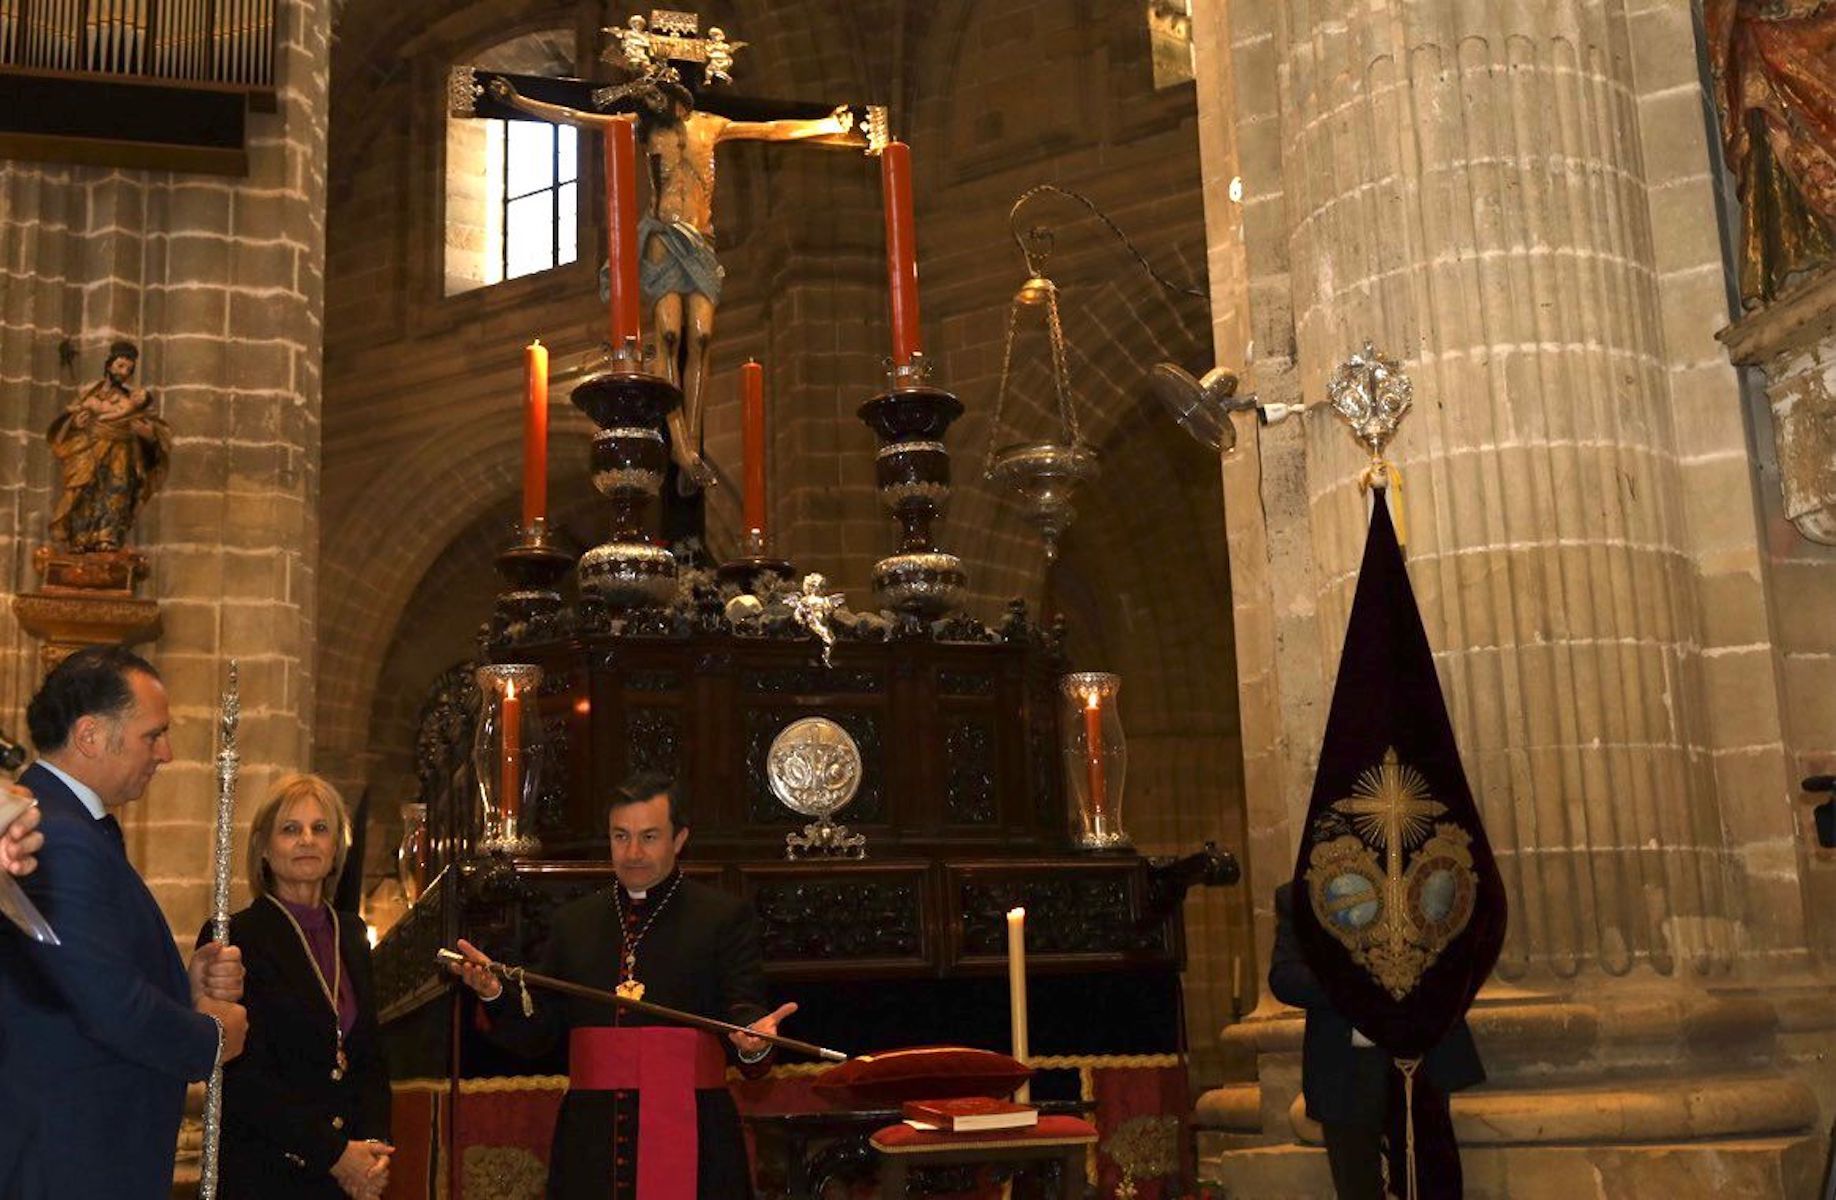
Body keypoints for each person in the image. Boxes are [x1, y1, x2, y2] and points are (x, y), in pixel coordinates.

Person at [486, 74, 867, 489]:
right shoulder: (640, 127)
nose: (650, 105)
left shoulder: (712, 124)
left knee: (701, 337)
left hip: (701, 241)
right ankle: (681, 444)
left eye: (656, 98)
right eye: (647, 99)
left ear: (678, 100)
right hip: (663, 239)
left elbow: (771, 129)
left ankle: (694, 438)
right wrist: (519, 101)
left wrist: (827, 125)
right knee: (668, 334)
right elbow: (575, 115)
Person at [447, 771, 796, 1200]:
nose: (632, 852)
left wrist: (753, 1043)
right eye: (620, 836)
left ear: (679, 838)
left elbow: (745, 1012)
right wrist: (492, 992)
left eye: (649, 837)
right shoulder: (574, 923)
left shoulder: (722, 918)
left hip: (697, 1134)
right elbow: (539, 1034)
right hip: (591, 1142)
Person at [0, 645, 248, 1199]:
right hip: (69, 1163)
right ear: (90, 736)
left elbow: (67, 979)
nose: (166, 752)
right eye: (152, 734)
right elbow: (107, 1002)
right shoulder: (55, 833)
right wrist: (210, 1037)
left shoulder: (72, 827)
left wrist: (181, 983)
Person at [198, 774, 393, 1199]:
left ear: (336, 847)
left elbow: (369, 1055)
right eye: (290, 829)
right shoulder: (234, 937)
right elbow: (242, 1074)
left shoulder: (353, 933)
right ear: (264, 849)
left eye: (320, 828)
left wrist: (372, 1153)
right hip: (270, 1173)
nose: (307, 839)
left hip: (351, 1178)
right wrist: (335, 1155)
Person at [1268, 881, 1484, 1199]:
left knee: (1432, 1184)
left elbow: (1463, 951)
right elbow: (1285, 976)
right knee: (1358, 1187)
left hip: (1419, 1064)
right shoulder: (1303, 895)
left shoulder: (1422, 876)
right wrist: (1354, 982)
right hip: (1347, 1072)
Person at [46, 340, 173, 552]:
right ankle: (80, 537)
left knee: (117, 489)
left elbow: (153, 429)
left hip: (121, 452)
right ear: (109, 365)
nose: (123, 372)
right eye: (120, 365)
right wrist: (77, 423)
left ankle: (107, 537)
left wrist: (148, 434)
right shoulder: (89, 394)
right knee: (85, 490)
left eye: (128, 369)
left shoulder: (130, 400)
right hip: (88, 448)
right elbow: (71, 422)